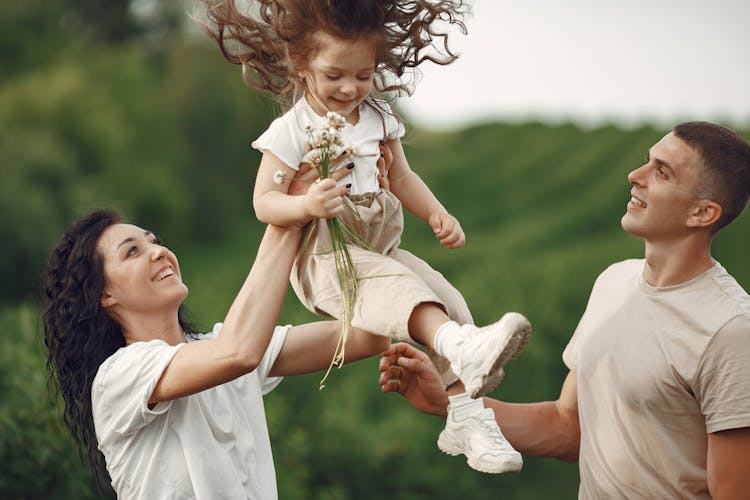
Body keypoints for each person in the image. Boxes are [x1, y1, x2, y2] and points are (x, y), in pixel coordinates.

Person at [199, 0, 531, 473]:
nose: (350, 88)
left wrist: (437, 213)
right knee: (409, 296)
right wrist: (306, 205)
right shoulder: (291, 130)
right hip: (326, 259)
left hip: (379, 249)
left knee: (444, 296)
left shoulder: (376, 115)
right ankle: (458, 348)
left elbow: (402, 177)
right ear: (301, 64)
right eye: (334, 75)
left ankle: (467, 418)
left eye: (363, 74)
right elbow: (263, 203)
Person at [379, 121, 750, 498]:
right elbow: (567, 428)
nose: (635, 176)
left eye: (661, 172)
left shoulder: (729, 330)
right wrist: (446, 402)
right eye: (646, 161)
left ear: (702, 213)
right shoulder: (613, 284)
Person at [42, 205, 390, 499]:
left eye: (154, 242)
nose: (158, 252)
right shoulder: (119, 377)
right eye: (132, 251)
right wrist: (287, 217)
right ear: (105, 296)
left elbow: (366, 337)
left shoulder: (221, 348)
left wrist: (371, 213)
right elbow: (238, 352)